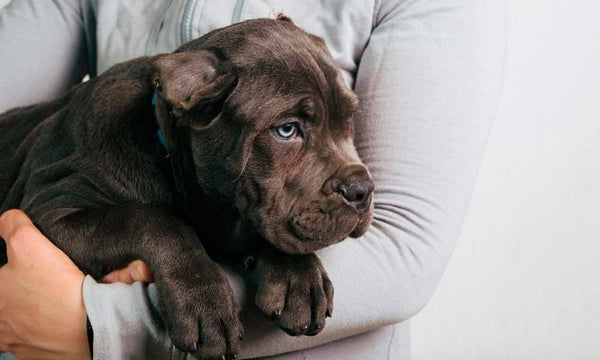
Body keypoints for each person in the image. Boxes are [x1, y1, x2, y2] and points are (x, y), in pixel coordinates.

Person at [0, 0, 507, 359]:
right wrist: (167, 245)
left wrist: (97, 327)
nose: (354, 177)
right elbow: (54, 215)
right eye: (290, 128)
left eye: (342, 121)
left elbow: (403, 256)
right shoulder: (119, 129)